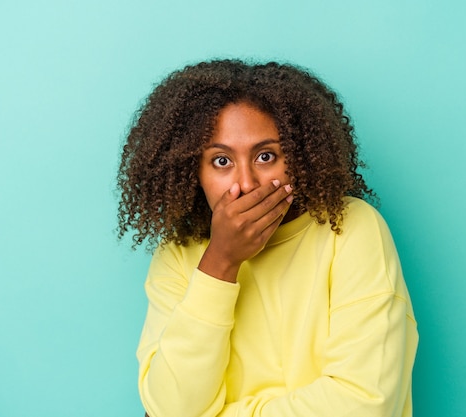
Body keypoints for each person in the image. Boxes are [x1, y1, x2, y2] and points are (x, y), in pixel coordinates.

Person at [117, 59, 418, 417]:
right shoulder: (177, 255)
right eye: (221, 161)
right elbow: (170, 408)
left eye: (265, 156)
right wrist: (219, 263)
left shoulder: (351, 228)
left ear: (301, 158)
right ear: (192, 170)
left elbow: (365, 405)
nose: (245, 183)